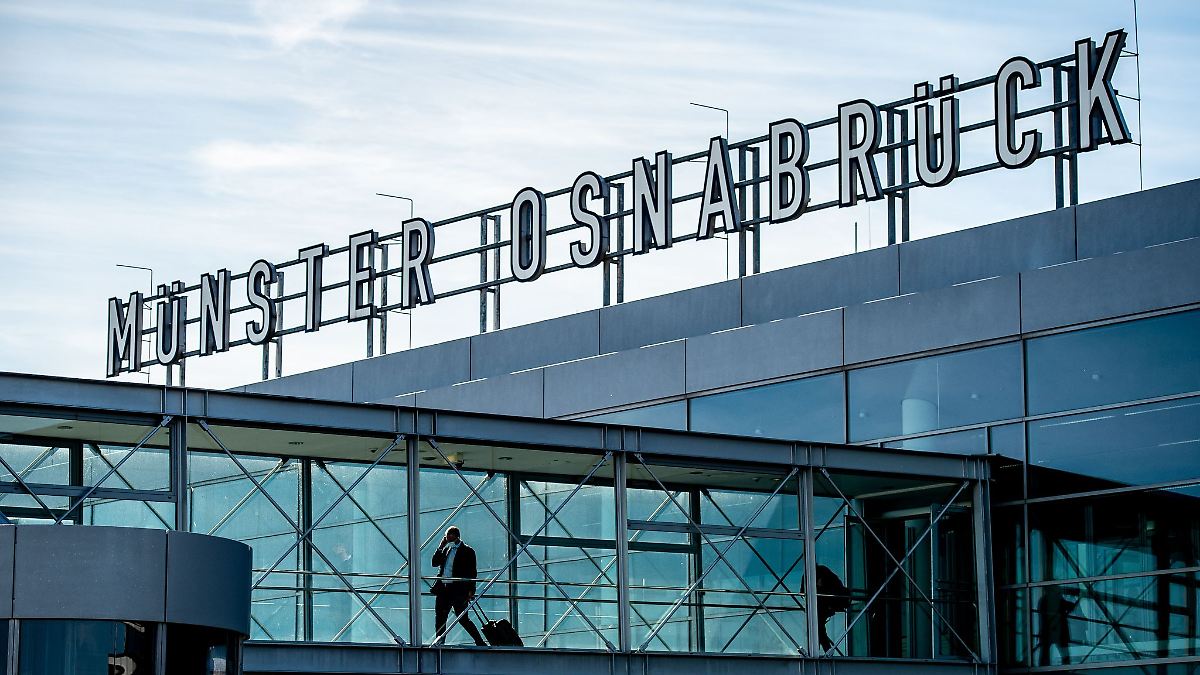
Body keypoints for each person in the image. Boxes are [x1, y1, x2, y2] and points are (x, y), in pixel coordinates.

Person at [432, 526, 487, 646]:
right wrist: (440, 547)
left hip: (458, 590)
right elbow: (434, 563)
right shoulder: (446, 550)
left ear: (455, 536)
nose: (446, 538)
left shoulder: (467, 551)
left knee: (462, 617)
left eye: (448, 535)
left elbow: (472, 572)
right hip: (443, 589)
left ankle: (479, 641)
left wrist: (471, 590)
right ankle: (439, 643)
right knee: (440, 617)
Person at [815, 564, 851, 653]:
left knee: (818, 627)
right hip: (825, 604)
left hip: (824, 604)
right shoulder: (823, 572)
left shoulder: (821, 572)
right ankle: (824, 649)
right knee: (819, 627)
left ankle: (823, 649)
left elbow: (803, 591)